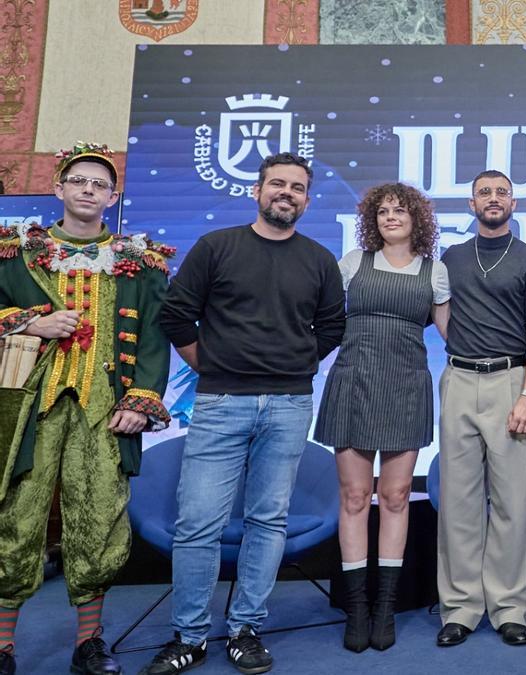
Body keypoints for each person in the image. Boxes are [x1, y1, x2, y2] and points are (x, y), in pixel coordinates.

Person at [145, 152, 346, 675]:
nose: (287, 193)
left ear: (306, 198)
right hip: (219, 403)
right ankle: (189, 635)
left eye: (297, 187)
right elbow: (175, 315)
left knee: (267, 520)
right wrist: (211, 364)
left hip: (289, 406)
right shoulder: (217, 247)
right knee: (197, 524)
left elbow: (331, 329)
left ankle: (245, 629)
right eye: (277, 184)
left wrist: (295, 365)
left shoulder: (319, 260)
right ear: (256, 191)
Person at [0, 142, 172, 675]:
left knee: (99, 519)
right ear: (59, 188)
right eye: (79, 181)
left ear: (113, 196)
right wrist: (31, 323)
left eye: (100, 184)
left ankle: (90, 643)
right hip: (31, 405)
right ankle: (3, 645)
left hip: (104, 409)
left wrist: (140, 403)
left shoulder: (138, 263)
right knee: (16, 517)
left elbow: (152, 339)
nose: (89, 190)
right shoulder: (16, 251)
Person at [313, 182, 449, 653]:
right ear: (373, 219)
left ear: (418, 220)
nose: (392, 217)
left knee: (393, 497)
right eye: (384, 211)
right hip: (352, 383)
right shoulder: (352, 263)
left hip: (407, 387)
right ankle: (357, 609)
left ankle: (385, 607)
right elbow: (322, 319)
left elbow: (455, 336)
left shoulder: (436, 271)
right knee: (354, 497)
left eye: (401, 210)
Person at [435, 170, 526, 648]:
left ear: (514, 203)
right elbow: (442, 312)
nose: (493, 199)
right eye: (484, 192)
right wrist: (464, 349)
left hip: (512, 384)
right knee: (459, 502)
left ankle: (509, 606)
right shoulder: (451, 257)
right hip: (460, 379)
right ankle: (461, 608)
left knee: (513, 502)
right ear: (471, 204)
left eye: (501, 192)